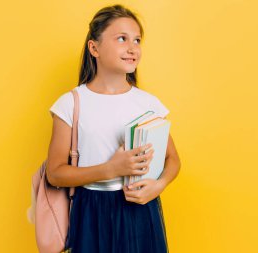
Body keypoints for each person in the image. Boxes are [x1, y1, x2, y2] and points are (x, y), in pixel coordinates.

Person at [47, 4, 181, 253]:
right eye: (122, 38)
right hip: (91, 211)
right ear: (94, 48)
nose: (133, 48)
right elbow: (55, 173)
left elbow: (173, 160)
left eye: (137, 40)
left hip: (140, 209)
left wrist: (158, 185)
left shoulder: (148, 103)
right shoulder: (71, 103)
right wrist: (110, 169)